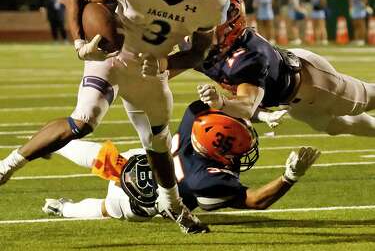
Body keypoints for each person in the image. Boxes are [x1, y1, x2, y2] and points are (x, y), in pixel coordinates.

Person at [0, 0, 230, 234]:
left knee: (158, 144)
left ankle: (173, 206)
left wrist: (165, 64)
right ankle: (7, 166)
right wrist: (80, 44)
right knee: (84, 119)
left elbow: (199, 53)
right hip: (111, 56)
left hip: (150, 70)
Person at [42, 101, 319, 221]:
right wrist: (289, 177)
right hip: (142, 200)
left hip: (136, 164)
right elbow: (256, 200)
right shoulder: (207, 179)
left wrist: (257, 116)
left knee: (101, 156)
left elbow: (216, 106)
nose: (238, 156)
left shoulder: (193, 121)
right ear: (215, 150)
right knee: (106, 208)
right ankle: (63, 209)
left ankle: (53, 142)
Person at [195, 0, 375, 138]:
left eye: (208, 24)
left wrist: (220, 102)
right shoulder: (204, 49)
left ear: (229, 25)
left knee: (365, 99)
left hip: (313, 81)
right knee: (337, 126)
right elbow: (171, 63)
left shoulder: (250, 55)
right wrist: (265, 115)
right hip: (292, 102)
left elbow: (246, 106)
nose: (200, 29)